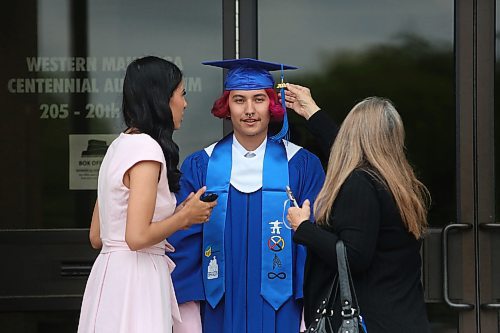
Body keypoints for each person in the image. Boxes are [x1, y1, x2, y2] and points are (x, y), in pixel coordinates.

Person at [168, 59, 325, 333]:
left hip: (284, 307)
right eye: (239, 100)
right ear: (226, 106)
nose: (249, 110)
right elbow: (184, 243)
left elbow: (316, 240)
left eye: (259, 99)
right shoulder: (201, 166)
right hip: (218, 306)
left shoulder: (301, 165)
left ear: (273, 106)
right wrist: (188, 312)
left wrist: (310, 308)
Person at [77, 56, 217, 333]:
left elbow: (97, 235)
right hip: (136, 279)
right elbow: (137, 237)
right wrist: (184, 217)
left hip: (110, 276)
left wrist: (179, 216)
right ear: (161, 98)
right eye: (182, 94)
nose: (185, 103)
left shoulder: (119, 146)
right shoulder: (146, 151)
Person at [285, 88, 431, 333]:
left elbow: (353, 256)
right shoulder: (398, 181)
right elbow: (345, 153)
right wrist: (312, 112)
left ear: (353, 135)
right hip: (404, 318)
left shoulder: (360, 184)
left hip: (370, 322)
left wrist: (304, 227)